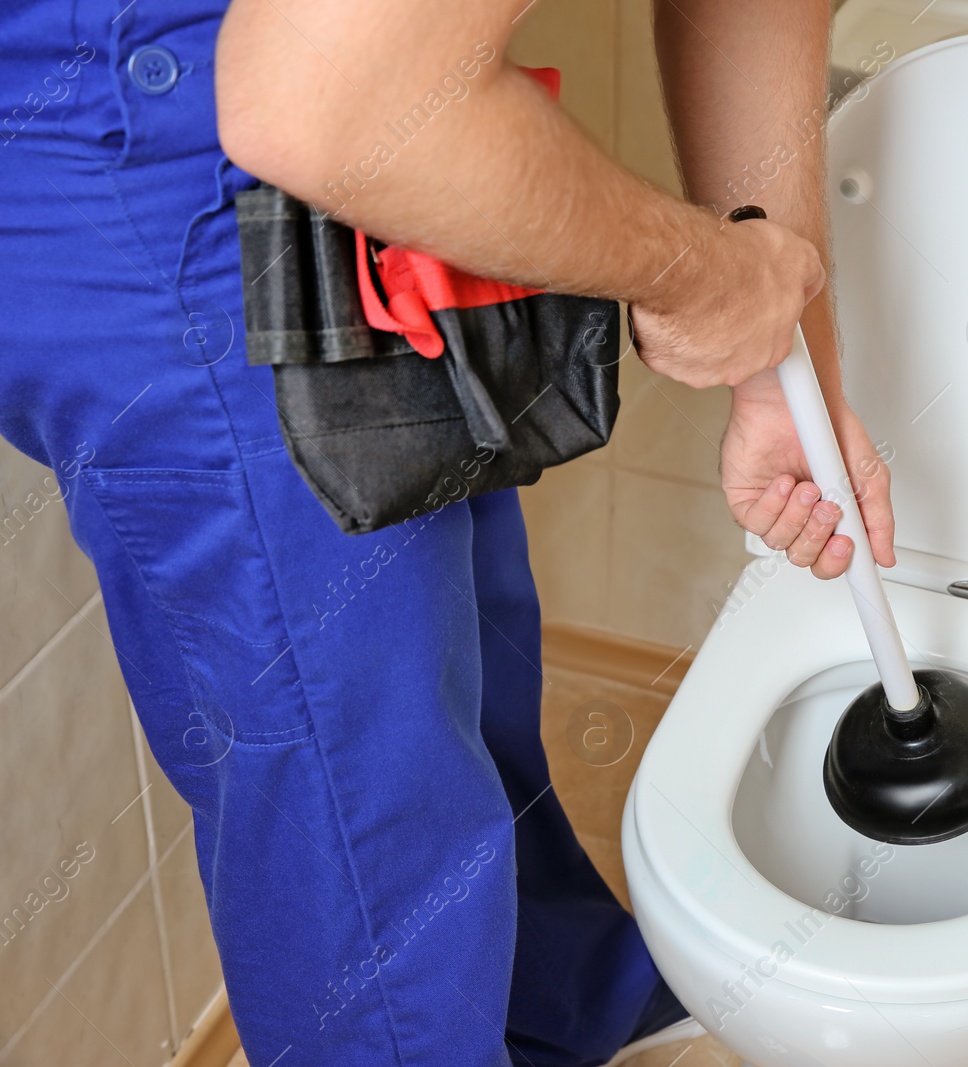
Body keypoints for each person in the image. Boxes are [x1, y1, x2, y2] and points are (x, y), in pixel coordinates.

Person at [0, 0, 894, 1063]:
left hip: (370, 121)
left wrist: (782, 367)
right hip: (166, 166)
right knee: (358, 806)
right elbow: (319, 106)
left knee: (458, 650)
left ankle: (556, 1006)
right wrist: (702, 276)